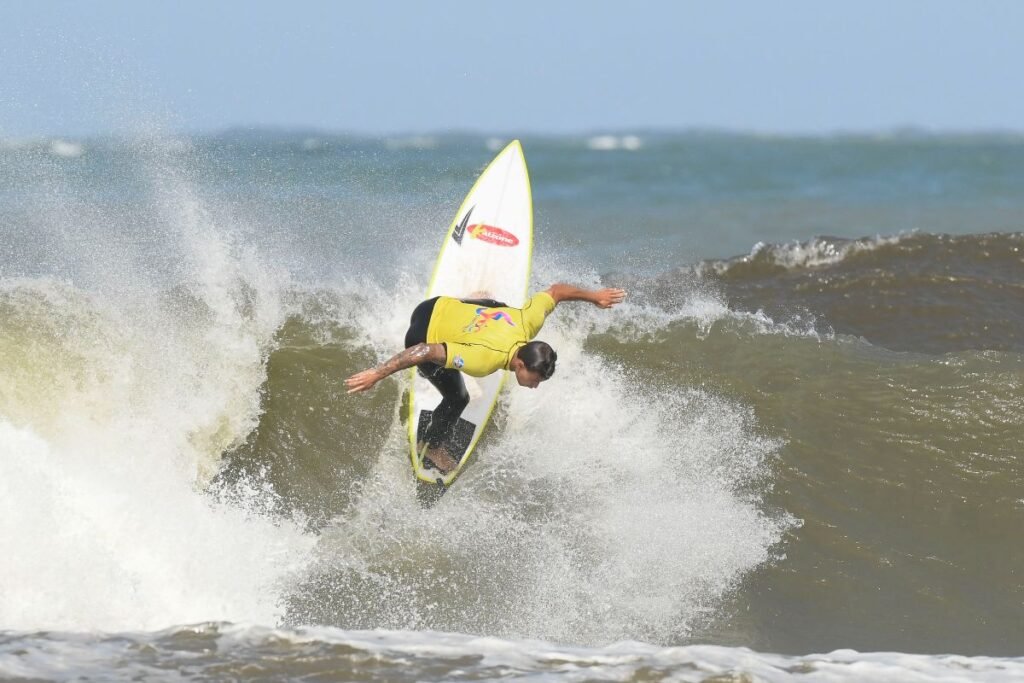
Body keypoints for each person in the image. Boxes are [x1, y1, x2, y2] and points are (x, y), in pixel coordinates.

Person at [345, 284, 626, 473]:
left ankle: (476, 304)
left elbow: (556, 291)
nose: (535, 385)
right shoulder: (484, 360)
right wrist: (377, 373)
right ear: (519, 363)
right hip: (422, 333)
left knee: (499, 306)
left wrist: (596, 297)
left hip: (437, 305)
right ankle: (431, 447)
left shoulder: (528, 320)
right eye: (535, 378)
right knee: (458, 397)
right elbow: (424, 350)